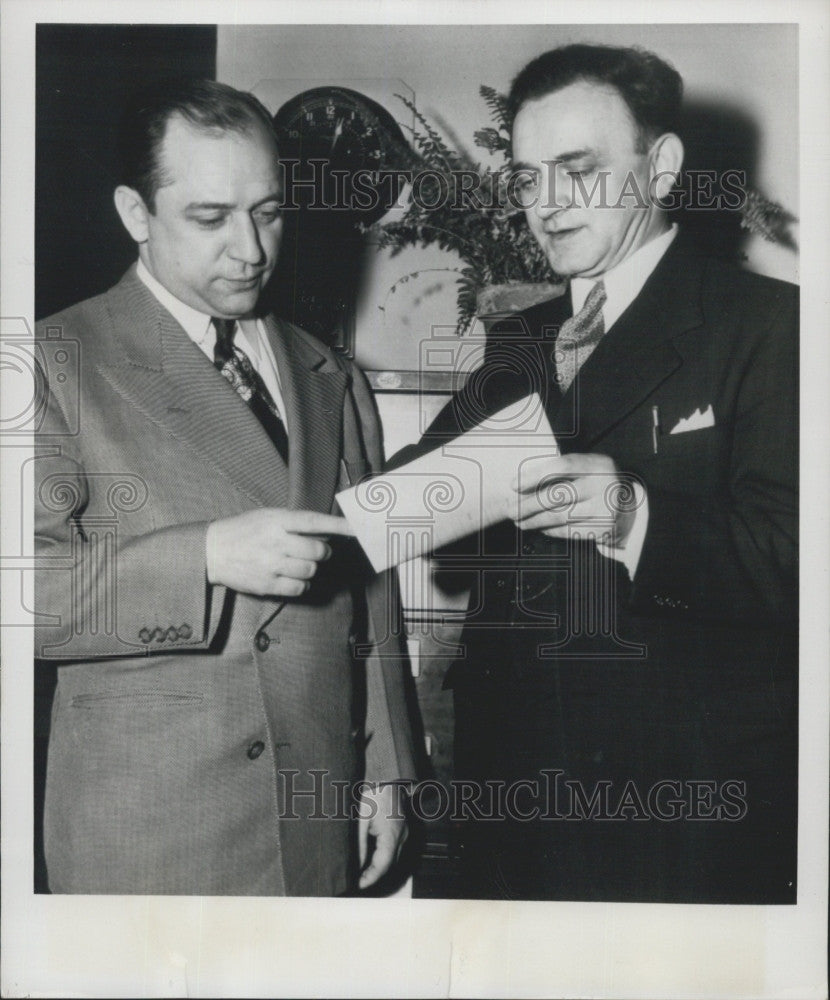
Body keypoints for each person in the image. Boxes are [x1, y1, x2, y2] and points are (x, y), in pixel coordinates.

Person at [403, 44, 798, 903]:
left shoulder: (777, 326)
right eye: (527, 178)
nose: (545, 206)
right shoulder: (520, 337)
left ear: (660, 168)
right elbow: (414, 493)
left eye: (577, 172)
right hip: (508, 795)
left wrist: (632, 517)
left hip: (678, 811)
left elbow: (794, 562)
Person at [34, 78, 415, 896]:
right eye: (210, 218)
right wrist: (202, 556)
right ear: (136, 215)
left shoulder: (330, 374)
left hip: (315, 818)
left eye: (269, 212)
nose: (250, 249)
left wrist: (385, 767)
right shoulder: (48, 360)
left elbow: (370, 585)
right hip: (149, 836)